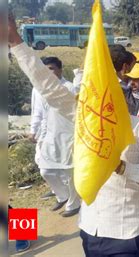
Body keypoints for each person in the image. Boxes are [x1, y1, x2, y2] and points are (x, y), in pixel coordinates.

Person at [8, 15, 139, 257]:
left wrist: (123, 168)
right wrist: (15, 41)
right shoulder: (87, 119)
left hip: (125, 231)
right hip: (89, 228)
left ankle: (23, 231)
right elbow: (48, 87)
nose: (104, 103)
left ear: (124, 97)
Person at [28, 56, 81, 217]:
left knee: (70, 171)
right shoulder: (38, 88)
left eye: (51, 69)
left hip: (68, 135)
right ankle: (62, 195)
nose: (47, 73)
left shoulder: (70, 88)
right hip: (47, 135)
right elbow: (36, 112)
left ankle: (73, 203)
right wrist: (33, 130)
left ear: (59, 69)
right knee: (45, 170)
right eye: (45, 69)